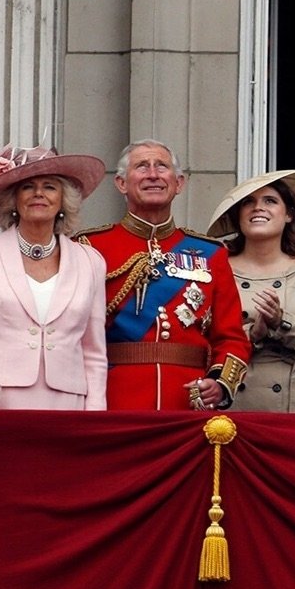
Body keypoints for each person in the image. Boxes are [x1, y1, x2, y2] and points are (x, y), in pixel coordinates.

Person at [76, 140, 249, 411]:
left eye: (162, 167)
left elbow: (231, 337)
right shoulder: (90, 247)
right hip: (114, 398)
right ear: (121, 183)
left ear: (179, 183)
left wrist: (219, 383)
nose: (153, 174)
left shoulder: (211, 253)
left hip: (188, 401)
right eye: (142, 167)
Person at [207, 170, 295, 412]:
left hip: (294, 401)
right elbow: (202, 340)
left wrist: (281, 322)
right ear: (238, 216)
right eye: (248, 202)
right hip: (232, 397)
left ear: (288, 214)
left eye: (270, 201)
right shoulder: (216, 267)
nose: (258, 208)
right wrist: (251, 334)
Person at [0, 144, 108, 410]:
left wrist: (95, 411)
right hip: (1, 401)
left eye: (50, 186)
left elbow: (94, 352)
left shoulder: (90, 261)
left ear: (63, 201)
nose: (38, 194)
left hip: (67, 403)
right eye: (28, 186)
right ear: (14, 200)